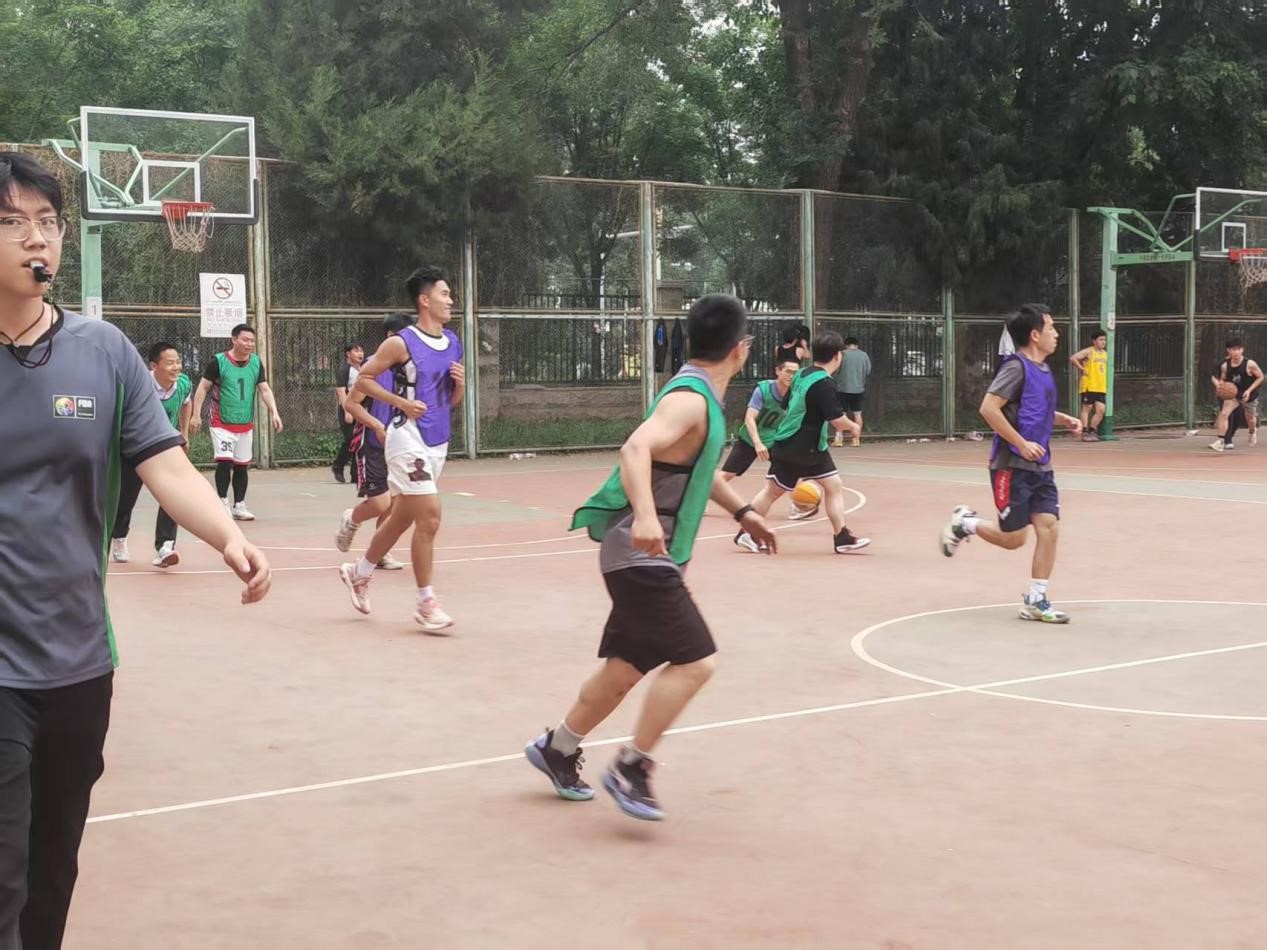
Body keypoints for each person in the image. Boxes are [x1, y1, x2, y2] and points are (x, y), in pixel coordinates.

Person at [0, 151, 271, 950]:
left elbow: (166, 465)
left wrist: (227, 535)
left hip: (79, 660)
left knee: (52, 866)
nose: (35, 238)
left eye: (47, 221)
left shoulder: (105, 351)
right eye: (11, 222)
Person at [523, 294, 777, 821]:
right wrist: (643, 516)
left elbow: (697, 474)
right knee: (696, 662)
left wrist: (744, 512)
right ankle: (631, 767)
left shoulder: (700, 395)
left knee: (625, 669)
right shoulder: (689, 399)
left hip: (644, 556)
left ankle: (557, 748)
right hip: (640, 556)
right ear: (741, 348)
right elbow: (635, 448)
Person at [939, 303, 1083, 623]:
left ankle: (1036, 600)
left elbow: (1035, 412)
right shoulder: (1016, 367)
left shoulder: (1043, 370)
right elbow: (988, 408)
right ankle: (965, 523)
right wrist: (1020, 443)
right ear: (1035, 335)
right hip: (1011, 465)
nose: (1056, 334)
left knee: (1049, 527)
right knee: (1014, 539)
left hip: (1040, 465)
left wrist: (1064, 420)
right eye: (1051, 328)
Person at [338, 267, 464, 630]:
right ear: (425, 300)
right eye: (444, 294)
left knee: (401, 517)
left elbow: (451, 401)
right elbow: (363, 381)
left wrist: (460, 385)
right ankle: (426, 602)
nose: (450, 300)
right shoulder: (401, 343)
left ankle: (359, 572)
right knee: (430, 516)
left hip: (438, 440)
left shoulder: (453, 342)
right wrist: (401, 403)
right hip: (405, 436)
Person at [734, 332, 870, 555]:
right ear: (838, 356)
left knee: (833, 485)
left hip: (808, 446)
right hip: (799, 447)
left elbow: (787, 404)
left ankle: (842, 537)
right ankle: (746, 533)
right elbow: (836, 420)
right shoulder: (825, 384)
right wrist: (853, 427)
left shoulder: (801, 374)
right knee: (772, 492)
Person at [334, 313, 415, 570]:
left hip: (402, 444)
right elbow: (351, 404)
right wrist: (377, 426)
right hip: (373, 443)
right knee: (381, 502)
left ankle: (381, 552)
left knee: (397, 505)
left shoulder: (413, 367)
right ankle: (352, 518)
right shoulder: (373, 367)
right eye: (407, 335)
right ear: (391, 337)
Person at [109, 341, 193, 569]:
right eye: (170, 363)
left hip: (165, 447)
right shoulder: (138, 384)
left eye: (178, 362)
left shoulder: (184, 384)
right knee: (126, 497)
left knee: (172, 493)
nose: (176, 367)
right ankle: (119, 536)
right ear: (154, 366)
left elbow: (187, 404)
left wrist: (184, 432)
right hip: (135, 445)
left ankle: (165, 545)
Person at [190, 323, 283, 521]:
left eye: (252, 341)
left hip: (244, 422)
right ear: (234, 340)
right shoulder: (218, 361)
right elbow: (203, 388)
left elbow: (264, 389)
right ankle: (222, 502)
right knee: (225, 462)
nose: (249, 344)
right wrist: (196, 415)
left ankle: (239, 505)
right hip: (221, 421)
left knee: (241, 465)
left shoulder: (256, 363)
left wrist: (274, 412)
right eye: (245, 340)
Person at [719, 357, 798, 483]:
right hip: (749, 439)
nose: (791, 376)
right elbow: (749, 418)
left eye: (795, 373)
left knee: (792, 471)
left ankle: (792, 496)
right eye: (788, 371)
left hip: (773, 440)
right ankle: (703, 494)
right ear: (778, 371)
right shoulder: (763, 390)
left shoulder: (796, 394)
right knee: (725, 475)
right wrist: (758, 444)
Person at [1209, 338, 1262, 452]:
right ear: (1228, 350)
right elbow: (1223, 379)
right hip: (1233, 394)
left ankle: (1252, 431)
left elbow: (1260, 377)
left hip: (1249, 395)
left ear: (1242, 350)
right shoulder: (1225, 365)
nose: (1236, 352)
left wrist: (1249, 390)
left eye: (1239, 349)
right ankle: (1221, 441)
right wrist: (1221, 386)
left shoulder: (1250, 364)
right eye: (1233, 349)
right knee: (1224, 414)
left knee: (1250, 420)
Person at [332, 341, 364, 483]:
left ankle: (355, 474)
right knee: (351, 440)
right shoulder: (344, 369)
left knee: (360, 441)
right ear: (348, 354)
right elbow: (340, 391)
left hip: (361, 409)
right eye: (356, 351)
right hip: (348, 409)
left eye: (361, 351)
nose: (360, 354)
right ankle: (338, 466)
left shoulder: (363, 369)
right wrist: (347, 411)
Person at [1069, 329, 1108, 441]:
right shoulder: (1089, 351)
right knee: (1087, 408)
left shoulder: (1105, 354)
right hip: (1089, 385)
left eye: (1104, 340)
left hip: (1100, 385)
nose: (1103, 342)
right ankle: (1085, 431)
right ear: (1094, 341)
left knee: (1101, 410)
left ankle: (1092, 430)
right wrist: (1082, 368)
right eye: (1100, 340)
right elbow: (1073, 358)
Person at [833, 336, 871, 447]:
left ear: (846, 345)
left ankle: (839, 439)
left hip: (842, 389)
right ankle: (856, 439)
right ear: (857, 345)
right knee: (857, 414)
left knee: (841, 414)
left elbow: (836, 369)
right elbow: (867, 371)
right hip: (858, 389)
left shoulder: (841, 354)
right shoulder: (864, 355)